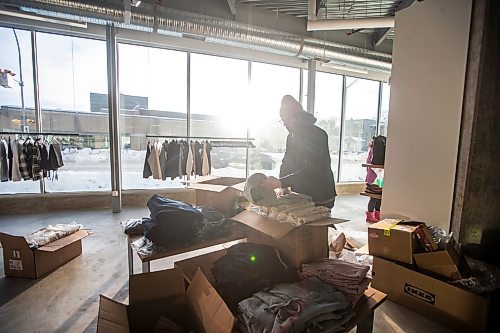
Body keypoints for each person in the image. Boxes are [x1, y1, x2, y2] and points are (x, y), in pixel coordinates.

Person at [261, 95, 337, 208]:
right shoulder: (292, 136)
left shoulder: (317, 135)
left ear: (298, 117)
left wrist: (281, 182)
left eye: (286, 120)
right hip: (302, 192)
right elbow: (287, 162)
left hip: (320, 193)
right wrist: (283, 185)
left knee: (315, 223)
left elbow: (312, 169)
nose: (285, 124)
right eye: (283, 121)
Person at [365, 139, 381, 222]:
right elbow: (371, 164)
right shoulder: (373, 151)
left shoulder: (374, 151)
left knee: (379, 198)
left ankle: (377, 214)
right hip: (374, 178)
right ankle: (370, 215)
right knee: (374, 197)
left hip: (377, 178)